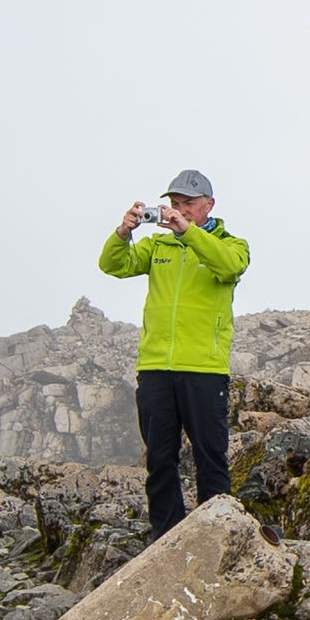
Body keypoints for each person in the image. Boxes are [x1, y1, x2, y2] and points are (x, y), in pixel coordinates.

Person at [99, 169, 250, 532]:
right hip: (155, 368)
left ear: (208, 205)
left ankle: (216, 535)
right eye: (175, 204)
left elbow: (230, 268)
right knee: (160, 459)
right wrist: (124, 232)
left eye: (189, 204)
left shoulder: (232, 244)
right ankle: (165, 537)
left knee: (210, 457)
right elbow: (112, 265)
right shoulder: (156, 246)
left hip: (203, 369)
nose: (179, 210)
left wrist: (189, 232)